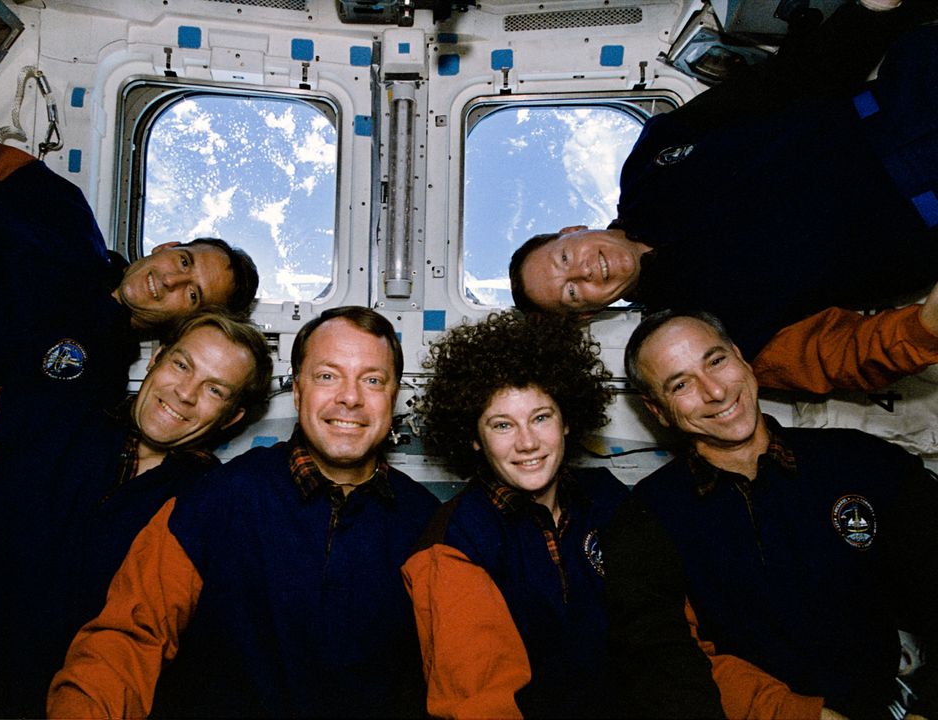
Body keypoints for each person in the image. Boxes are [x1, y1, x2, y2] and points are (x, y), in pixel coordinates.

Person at [0, 311, 272, 719]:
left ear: (232, 416)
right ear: (156, 359)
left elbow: (135, 640)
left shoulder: (211, 503)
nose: (185, 393)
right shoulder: (36, 410)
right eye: (182, 365)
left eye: (215, 390)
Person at [509, 4, 938, 395]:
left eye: (565, 259)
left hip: (907, 96)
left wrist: (869, 14)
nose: (585, 272)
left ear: (571, 231)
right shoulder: (700, 330)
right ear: (586, 314)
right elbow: (828, 357)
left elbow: (783, 82)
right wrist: (921, 330)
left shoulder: (649, 162)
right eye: (571, 292)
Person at [47, 306, 441, 719]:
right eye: (327, 375)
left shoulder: (427, 525)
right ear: (299, 391)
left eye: (373, 380)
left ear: (392, 396)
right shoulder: (215, 498)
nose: (350, 397)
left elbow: (459, 678)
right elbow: (129, 637)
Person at [0, 98, 260, 453]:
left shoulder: (93, 386)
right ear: (167, 247)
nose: (172, 280)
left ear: (185, 326)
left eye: (192, 295)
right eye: (185, 262)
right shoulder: (61, 208)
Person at [603, 308, 938, 719]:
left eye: (716, 360)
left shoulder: (861, 461)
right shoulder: (645, 517)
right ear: (656, 410)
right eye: (681, 384)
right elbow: (662, 662)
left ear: (741, 358)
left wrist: (929, 706)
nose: (715, 392)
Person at [402, 311, 630, 718]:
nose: (527, 442)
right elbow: (480, 703)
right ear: (474, 438)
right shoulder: (455, 542)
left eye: (541, 418)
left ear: (567, 421)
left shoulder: (609, 502)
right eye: (502, 425)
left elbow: (669, 641)